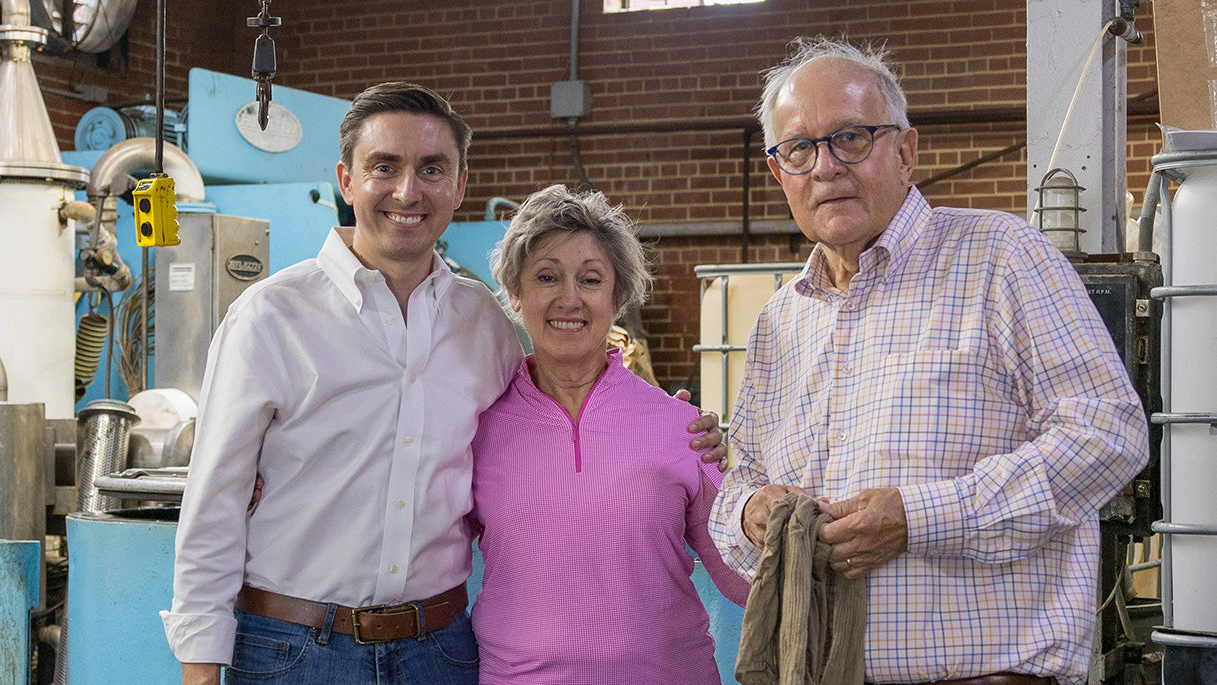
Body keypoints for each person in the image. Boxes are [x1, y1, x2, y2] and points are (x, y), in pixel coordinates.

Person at [161, 82, 726, 685]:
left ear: (459, 186)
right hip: (295, 648)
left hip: (441, 651)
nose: (408, 191)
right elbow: (214, 504)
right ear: (346, 181)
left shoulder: (483, 323)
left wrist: (673, 434)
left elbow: (549, 433)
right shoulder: (269, 318)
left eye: (432, 168)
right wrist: (200, 670)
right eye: (385, 166)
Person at [709, 37, 1149, 685]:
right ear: (781, 174)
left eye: (851, 138)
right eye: (799, 149)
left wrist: (920, 519)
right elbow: (736, 484)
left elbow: (1108, 434)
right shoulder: (782, 320)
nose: (825, 167)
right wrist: (751, 512)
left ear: (906, 151)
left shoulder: (1001, 258)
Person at [470, 184, 749, 684]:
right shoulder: (477, 426)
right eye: (547, 277)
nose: (569, 299)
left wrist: (765, 488)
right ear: (515, 294)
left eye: (591, 279)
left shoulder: (678, 426)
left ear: (619, 295)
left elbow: (742, 577)